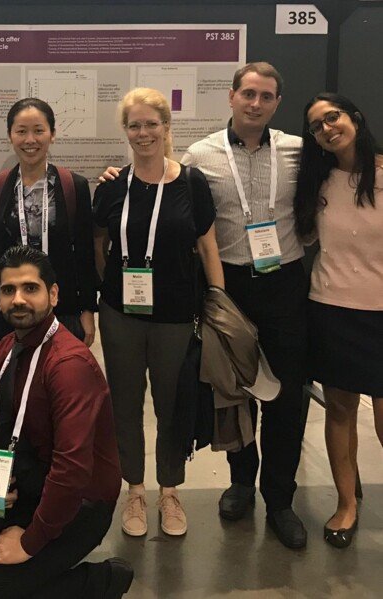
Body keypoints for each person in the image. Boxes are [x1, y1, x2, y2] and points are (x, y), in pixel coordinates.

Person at [100, 62, 308, 549]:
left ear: (277, 102)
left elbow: (334, 187)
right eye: (248, 94)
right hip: (187, 295)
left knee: (282, 396)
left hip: (271, 290)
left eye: (266, 95)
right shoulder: (197, 156)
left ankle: (276, 499)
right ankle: (229, 485)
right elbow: (100, 244)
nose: (256, 103)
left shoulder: (297, 151)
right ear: (232, 97)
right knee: (226, 393)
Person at [0, 246, 133, 599]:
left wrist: (28, 543)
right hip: (30, 476)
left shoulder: (69, 366)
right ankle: (8, 556)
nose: (18, 299)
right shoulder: (6, 348)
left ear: (53, 294)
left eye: (30, 288)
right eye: (8, 290)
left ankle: (97, 582)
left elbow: (71, 471)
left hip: (80, 503)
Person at [93, 88, 224, 538]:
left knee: (173, 404)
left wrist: (218, 303)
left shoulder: (191, 183)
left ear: (167, 127)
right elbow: (99, 246)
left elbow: (208, 246)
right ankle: (135, 489)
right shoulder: (111, 186)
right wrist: (110, 288)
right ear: (125, 131)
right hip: (120, 315)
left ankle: (169, 491)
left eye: (152, 124)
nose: (143, 132)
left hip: (175, 316)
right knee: (125, 404)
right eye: (135, 125)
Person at [294, 93, 383, 548]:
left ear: (355, 117)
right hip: (330, 308)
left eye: (333, 117)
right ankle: (347, 504)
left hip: (381, 313)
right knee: (341, 411)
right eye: (316, 126)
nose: (327, 128)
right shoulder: (318, 181)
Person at [0, 98, 96, 360]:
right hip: (7, 308)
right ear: (10, 135)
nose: (30, 139)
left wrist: (87, 310)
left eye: (39, 130)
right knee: (8, 390)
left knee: (58, 388)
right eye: (21, 131)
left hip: (59, 309)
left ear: (52, 134)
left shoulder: (74, 186)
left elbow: (85, 252)